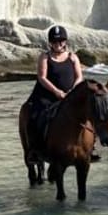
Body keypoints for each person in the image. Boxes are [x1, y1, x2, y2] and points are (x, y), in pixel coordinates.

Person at [25, 25, 84, 162]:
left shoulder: (73, 57)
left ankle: (88, 149)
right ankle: (35, 150)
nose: (58, 44)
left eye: (60, 41)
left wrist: (72, 91)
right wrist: (57, 92)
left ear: (65, 42)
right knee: (36, 117)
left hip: (70, 96)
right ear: (50, 42)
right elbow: (42, 77)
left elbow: (79, 77)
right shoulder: (45, 57)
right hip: (47, 96)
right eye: (54, 41)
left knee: (88, 114)